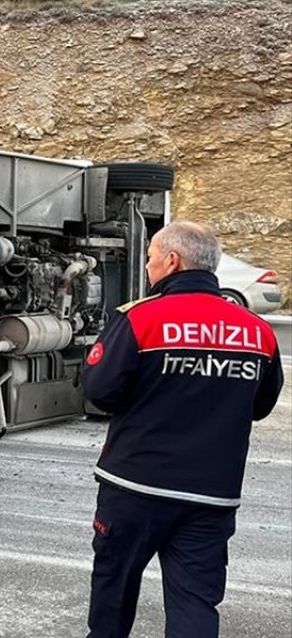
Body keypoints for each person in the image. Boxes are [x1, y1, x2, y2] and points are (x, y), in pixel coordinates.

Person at [81, 221, 284, 637]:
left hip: (135, 486)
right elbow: (260, 405)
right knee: (195, 599)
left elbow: (100, 392)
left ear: (173, 260)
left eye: (152, 257)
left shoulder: (140, 318)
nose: (149, 266)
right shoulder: (257, 332)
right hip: (212, 493)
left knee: (114, 591)